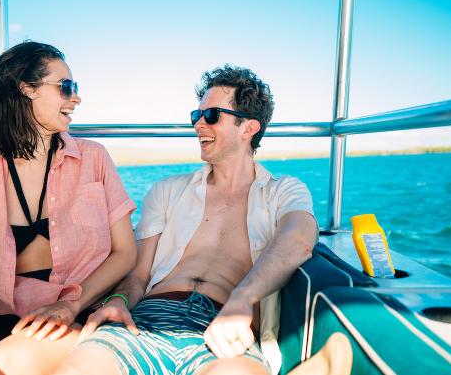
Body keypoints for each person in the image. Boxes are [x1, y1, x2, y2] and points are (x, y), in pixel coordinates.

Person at [55, 65, 351, 375]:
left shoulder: (283, 190)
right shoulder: (167, 190)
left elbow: (300, 239)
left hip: (227, 323)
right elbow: (138, 273)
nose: (198, 125)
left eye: (210, 116)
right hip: (148, 317)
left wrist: (243, 299)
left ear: (248, 128)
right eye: (195, 116)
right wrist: (118, 300)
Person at [0, 41, 137, 375]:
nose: (77, 98)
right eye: (66, 87)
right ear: (26, 89)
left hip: (79, 311)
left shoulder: (94, 158)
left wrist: (71, 304)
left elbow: (125, 253)